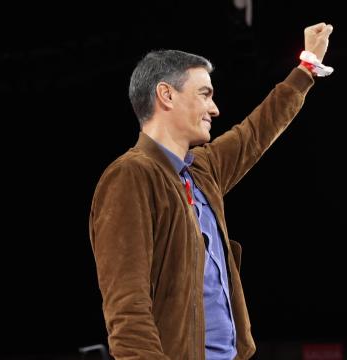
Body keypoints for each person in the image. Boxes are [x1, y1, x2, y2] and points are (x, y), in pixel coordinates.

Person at [89, 22, 334, 360]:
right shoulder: (131, 176)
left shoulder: (202, 171)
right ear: (166, 95)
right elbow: (128, 310)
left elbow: (256, 132)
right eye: (205, 94)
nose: (215, 109)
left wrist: (306, 68)